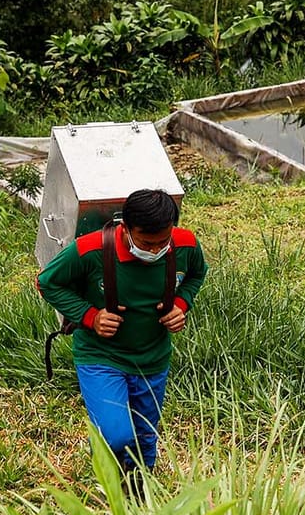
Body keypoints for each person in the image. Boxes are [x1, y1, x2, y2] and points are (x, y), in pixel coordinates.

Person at [36, 188, 205, 492]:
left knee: (144, 433)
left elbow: (196, 275)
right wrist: (90, 316)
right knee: (116, 434)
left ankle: (138, 490)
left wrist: (181, 304)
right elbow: (47, 282)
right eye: (145, 243)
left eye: (161, 243)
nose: (154, 251)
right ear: (124, 229)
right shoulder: (90, 251)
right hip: (102, 357)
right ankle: (109, 462)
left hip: (153, 358)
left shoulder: (186, 244)